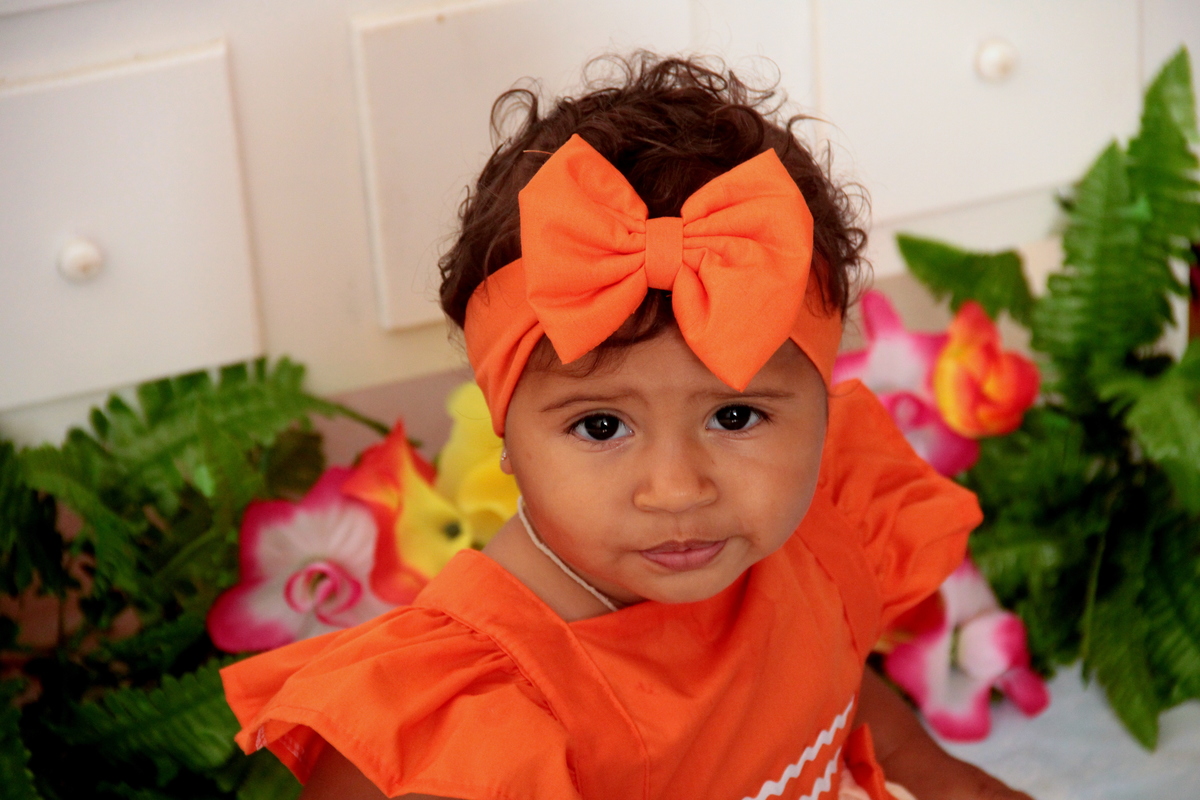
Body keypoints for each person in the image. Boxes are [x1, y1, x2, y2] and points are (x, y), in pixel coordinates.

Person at [221, 54, 1034, 800]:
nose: (676, 489)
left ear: (822, 407)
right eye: (602, 426)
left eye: (735, 415)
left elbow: (827, 670)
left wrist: (935, 774)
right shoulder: (483, 710)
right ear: (506, 433)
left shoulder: (812, 538)